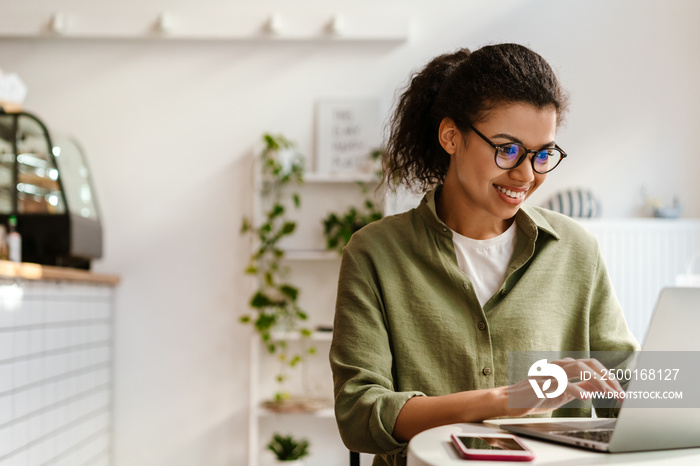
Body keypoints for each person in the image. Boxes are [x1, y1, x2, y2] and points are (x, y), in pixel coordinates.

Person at [329, 43, 639, 466]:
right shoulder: (376, 253)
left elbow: (629, 387)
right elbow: (360, 415)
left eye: (542, 154)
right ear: (451, 136)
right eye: (507, 149)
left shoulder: (575, 251)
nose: (526, 175)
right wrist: (505, 398)